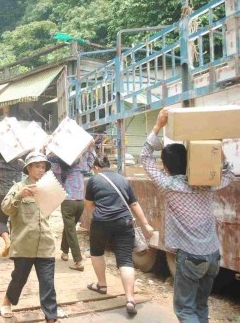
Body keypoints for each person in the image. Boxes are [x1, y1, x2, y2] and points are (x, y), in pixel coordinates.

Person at [141, 108, 234, 323]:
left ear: (165, 167)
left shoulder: (169, 185)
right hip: (212, 255)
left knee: (185, 310)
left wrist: (158, 125)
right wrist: (215, 150)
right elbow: (228, 172)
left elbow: (145, 159)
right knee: (200, 307)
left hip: (191, 257)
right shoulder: (207, 184)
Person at [84, 155, 153, 315]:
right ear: (110, 166)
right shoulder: (123, 180)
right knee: (125, 260)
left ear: (96, 168)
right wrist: (146, 224)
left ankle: (101, 285)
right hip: (124, 222)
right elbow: (134, 203)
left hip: (101, 222)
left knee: (96, 252)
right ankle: (130, 299)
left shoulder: (94, 180)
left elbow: (88, 205)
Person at [0, 152, 57, 322]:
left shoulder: (47, 188)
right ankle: (7, 301)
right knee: (19, 278)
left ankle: (51, 317)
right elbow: (6, 209)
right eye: (37, 166)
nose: (41, 170)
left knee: (48, 283)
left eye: (43, 167)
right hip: (24, 243)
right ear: (29, 168)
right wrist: (20, 195)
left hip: (45, 242)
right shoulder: (18, 187)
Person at [48, 140, 96, 271]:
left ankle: (78, 260)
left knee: (71, 230)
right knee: (69, 227)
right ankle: (64, 251)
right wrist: (90, 148)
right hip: (80, 201)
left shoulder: (57, 167)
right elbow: (90, 162)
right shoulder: (81, 166)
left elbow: (47, 163)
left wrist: (48, 149)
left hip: (68, 202)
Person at [0, 139, 24, 257]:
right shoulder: (19, 164)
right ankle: (16, 249)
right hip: (17, 194)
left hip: (3, 195)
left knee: (1, 221)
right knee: (15, 221)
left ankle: (8, 242)